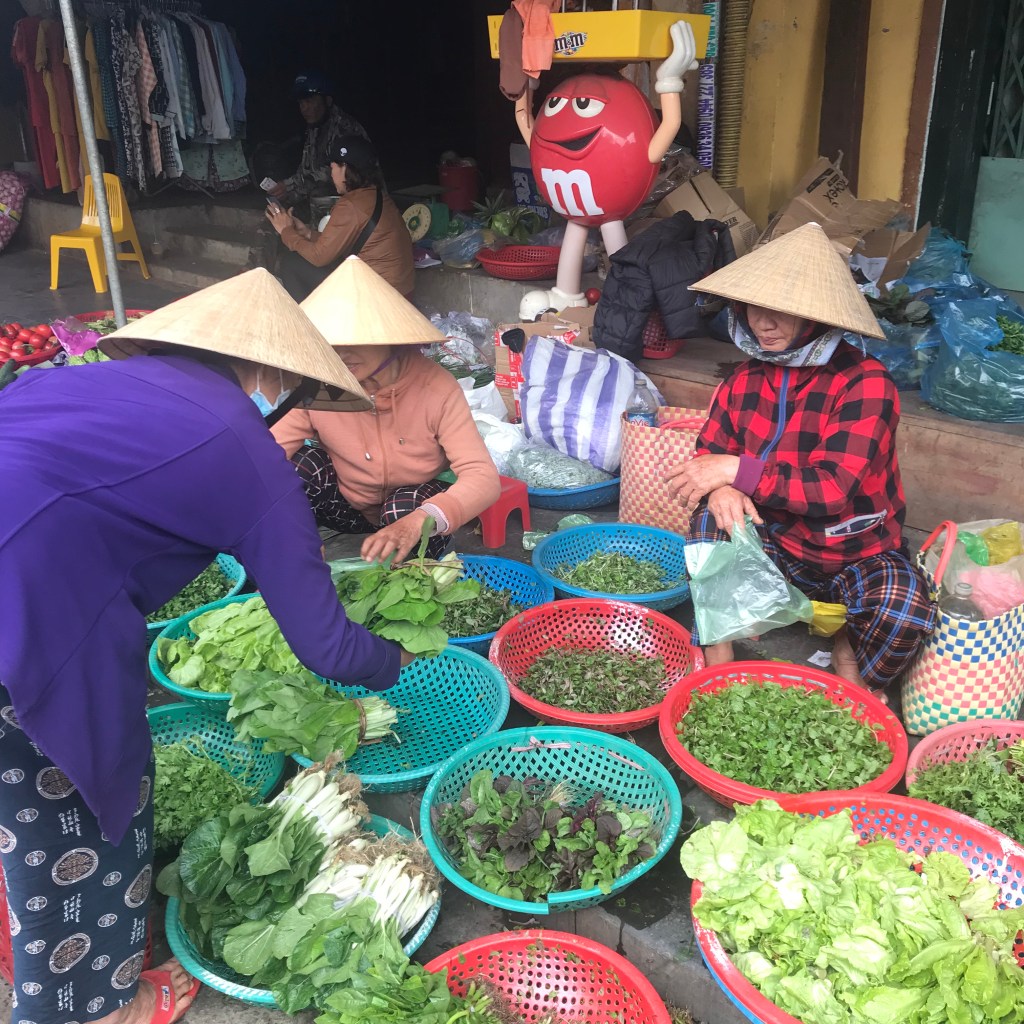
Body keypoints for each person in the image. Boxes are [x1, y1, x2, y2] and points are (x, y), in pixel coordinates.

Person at [0, 269, 416, 1024]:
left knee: (20, 794)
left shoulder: (75, 381)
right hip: (31, 610)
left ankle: (49, 977)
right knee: (87, 805)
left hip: (26, 581)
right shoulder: (246, 451)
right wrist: (397, 661)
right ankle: (98, 1006)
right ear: (271, 375)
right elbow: (326, 646)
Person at [663, 222, 936, 696]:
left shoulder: (865, 382)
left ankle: (848, 647)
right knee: (713, 522)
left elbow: (831, 489)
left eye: (782, 312)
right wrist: (722, 485)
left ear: (816, 317)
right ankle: (715, 670)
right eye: (754, 308)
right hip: (777, 542)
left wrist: (735, 470)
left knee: (902, 610)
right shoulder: (743, 380)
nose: (762, 323)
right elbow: (711, 451)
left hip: (854, 552)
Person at [272, 255, 502, 565]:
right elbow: (268, 453)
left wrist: (418, 521)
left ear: (391, 339)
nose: (341, 353)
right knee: (298, 466)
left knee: (404, 508)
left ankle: (408, 572)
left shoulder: (436, 388)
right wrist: (291, 530)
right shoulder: (320, 382)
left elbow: (483, 478)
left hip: (409, 507)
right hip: (345, 504)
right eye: (331, 342)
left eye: (356, 339)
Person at [267, 135, 414, 302]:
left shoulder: (351, 204)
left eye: (333, 167)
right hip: (401, 294)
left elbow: (319, 256)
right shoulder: (378, 196)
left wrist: (286, 231)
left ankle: (306, 318)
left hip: (379, 299)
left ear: (345, 168)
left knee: (292, 263)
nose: (331, 174)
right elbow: (337, 245)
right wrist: (307, 233)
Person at [268, 71, 369, 213]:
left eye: (309, 101)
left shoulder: (345, 128)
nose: (304, 108)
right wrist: (287, 192)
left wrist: (290, 185)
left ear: (327, 100)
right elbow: (306, 169)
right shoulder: (315, 128)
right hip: (331, 202)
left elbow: (334, 174)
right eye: (301, 103)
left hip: (360, 205)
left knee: (318, 195)